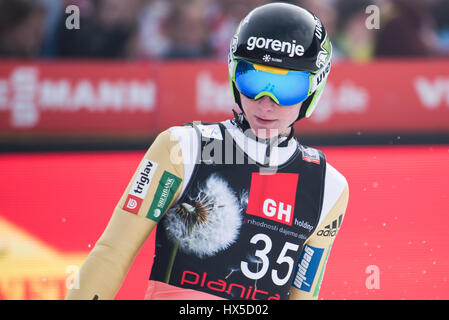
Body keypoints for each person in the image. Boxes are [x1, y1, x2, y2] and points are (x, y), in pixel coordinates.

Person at [65, 2, 349, 300]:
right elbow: (112, 253)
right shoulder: (181, 148)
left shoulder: (328, 186)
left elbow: (304, 295)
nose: (266, 102)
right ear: (232, 73)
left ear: (314, 88)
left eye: (287, 87)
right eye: (252, 80)